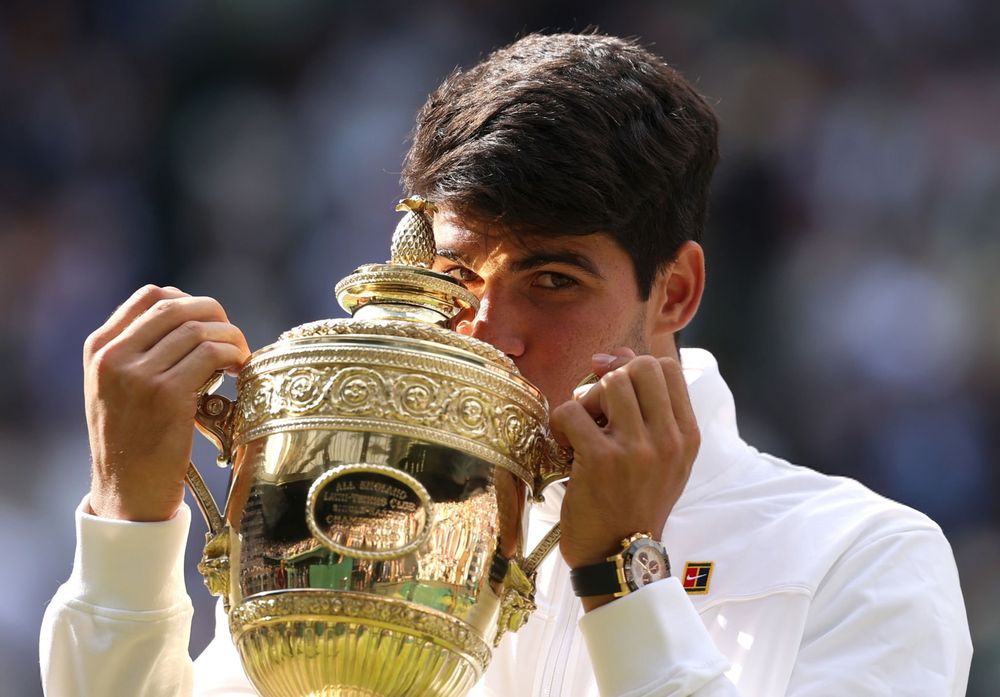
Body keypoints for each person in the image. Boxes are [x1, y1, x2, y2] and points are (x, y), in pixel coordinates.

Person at [40, 32, 971, 696]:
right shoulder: (365, 523)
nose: (490, 330)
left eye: (553, 279)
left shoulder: (863, 557)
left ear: (676, 292)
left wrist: (622, 577)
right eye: (455, 276)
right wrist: (131, 513)